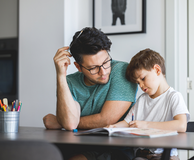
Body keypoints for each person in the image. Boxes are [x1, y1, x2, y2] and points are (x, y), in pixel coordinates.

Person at [43, 27, 137, 159]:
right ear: (78, 67)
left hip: (115, 147)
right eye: (93, 68)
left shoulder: (122, 71)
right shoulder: (69, 82)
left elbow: (107, 119)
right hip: (79, 144)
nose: (103, 72)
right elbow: (70, 123)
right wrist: (60, 76)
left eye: (105, 62)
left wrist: (59, 122)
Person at [107, 49, 190, 160]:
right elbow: (127, 123)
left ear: (157, 70)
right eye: (138, 82)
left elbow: (181, 125)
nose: (141, 85)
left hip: (164, 155)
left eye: (142, 78)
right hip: (141, 155)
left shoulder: (173, 97)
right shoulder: (142, 100)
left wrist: (146, 125)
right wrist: (113, 127)